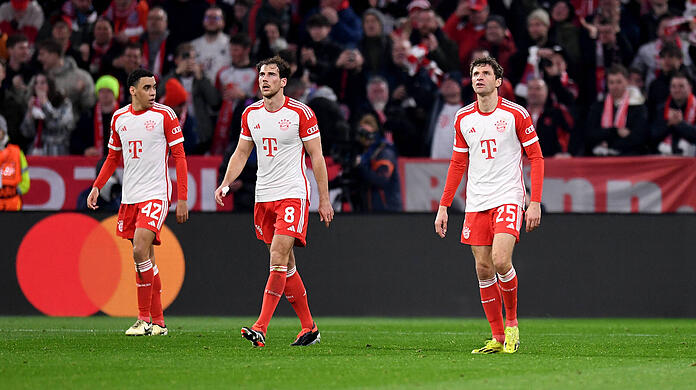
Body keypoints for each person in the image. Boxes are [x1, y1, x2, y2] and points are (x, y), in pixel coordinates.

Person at [214, 55, 334, 347]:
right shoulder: (250, 114)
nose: (264, 79)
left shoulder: (300, 113)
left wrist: (324, 199)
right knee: (287, 264)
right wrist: (226, 183)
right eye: (261, 74)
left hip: (292, 193)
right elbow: (241, 153)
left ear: (283, 82)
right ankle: (309, 328)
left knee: (277, 258)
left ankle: (261, 327)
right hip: (263, 196)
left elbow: (316, 157)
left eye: (270, 75)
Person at [434, 56, 544, 354]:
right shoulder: (463, 118)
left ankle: (512, 326)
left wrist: (534, 202)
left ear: (498, 81)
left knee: (500, 260)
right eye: (475, 73)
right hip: (477, 201)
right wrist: (444, 206)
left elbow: (535, 157)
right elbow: (458, 163)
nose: (479, 77)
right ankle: (496, 337)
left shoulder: (515, 114)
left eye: (485, 73)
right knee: (483, 268)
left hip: (508, 196)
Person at [87, 68, 189, 336]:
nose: (153, 92)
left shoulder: (165, 115)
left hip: (156, 194)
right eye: (146, 88)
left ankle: (143, 319)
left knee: (139, 250)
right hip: (130, 197)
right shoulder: (119, 118)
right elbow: (112, 158)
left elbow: (179, 156)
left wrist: (182, 198)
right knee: (146, 259)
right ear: (132, 90)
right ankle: (159, 323)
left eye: (154, 87)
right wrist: (97, 186)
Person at [0, 114, 30, 211]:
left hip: (13, 203)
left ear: (4, 131)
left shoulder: (16, 152)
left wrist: (17, 190)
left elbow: (25, 180)